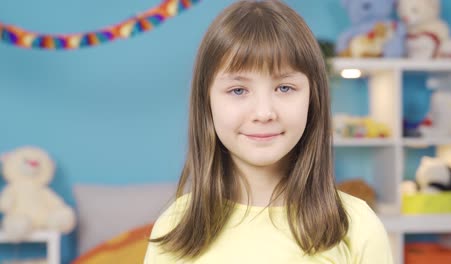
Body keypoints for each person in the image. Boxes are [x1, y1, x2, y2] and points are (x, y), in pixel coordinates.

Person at [144, 1, 393, 263]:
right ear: (207, 102)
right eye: (238, 90)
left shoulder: (357, 227)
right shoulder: (175, 227)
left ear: (313, 98)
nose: (264, 113)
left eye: (284, 88)